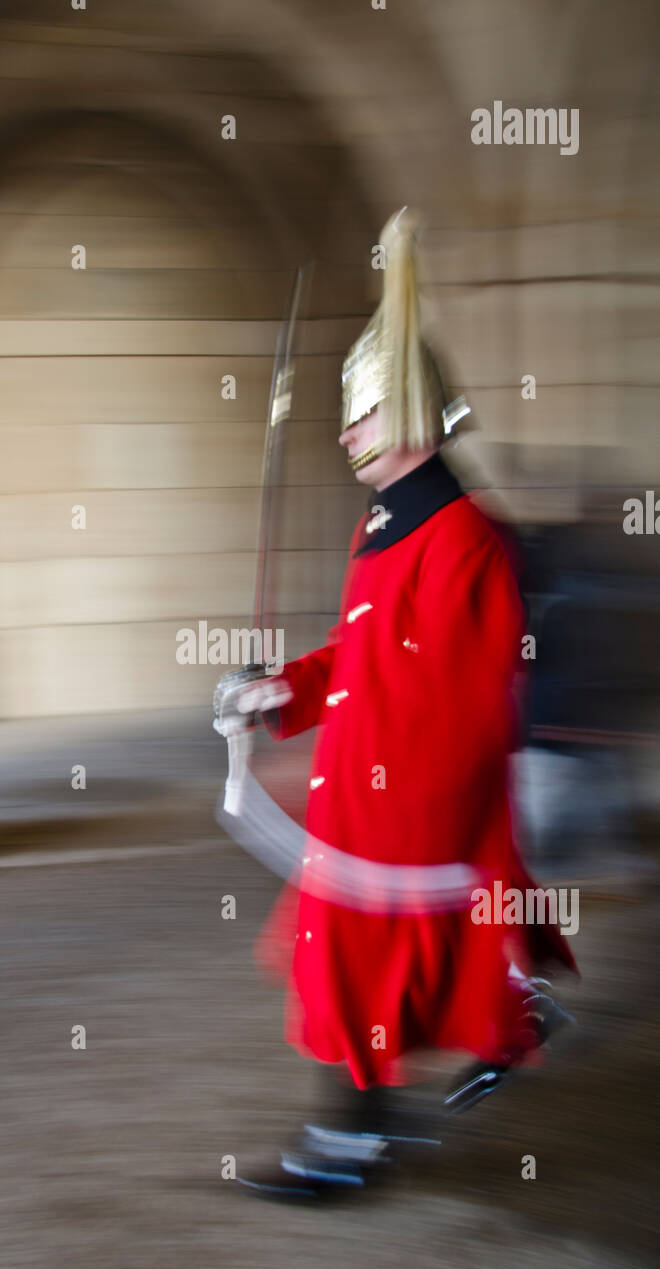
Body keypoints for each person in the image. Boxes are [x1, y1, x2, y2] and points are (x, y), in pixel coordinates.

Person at [221, 209, 577, 1201]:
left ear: (413, 416)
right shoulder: (384, 527)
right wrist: (277, 691)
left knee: (361, 976)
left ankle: (350, 1143)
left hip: (402, 820)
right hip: (364, 810)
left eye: (363, 411)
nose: (344, 430)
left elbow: (461, 706)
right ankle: (380, 1118)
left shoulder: (464, 540)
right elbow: (357, 656)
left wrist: (393, 834)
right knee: (354, 976)